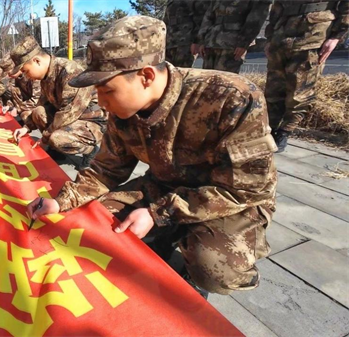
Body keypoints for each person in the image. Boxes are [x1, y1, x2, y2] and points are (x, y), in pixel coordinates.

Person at [27, 16, 278, 296]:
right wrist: (61, 202)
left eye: (107, 90)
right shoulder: (123, 111)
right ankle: (164, 240)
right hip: (164, 185)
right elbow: (105, 171)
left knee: (215, 267)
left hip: (229, 198)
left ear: (146, 77)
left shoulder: (230, 97)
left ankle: (191, 261)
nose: (101, 101)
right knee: (97, 220)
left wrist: (158, 214)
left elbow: (246, 189)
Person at [10, 36, 107, 169]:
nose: (26, 76)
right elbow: (41, 105)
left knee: (56, 138)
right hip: (71, 117)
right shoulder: (46, 76)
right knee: (39, 112)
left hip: (91, 120)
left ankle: (90, 151)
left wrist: (45, 140)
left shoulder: (68, 71)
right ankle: (58, 151)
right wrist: (26, 128)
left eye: (26, 71)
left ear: (36, 61)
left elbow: (68, 113)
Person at [265, 0, 349, 152]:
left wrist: (337, 36)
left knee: (299, 92)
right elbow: (277, 6)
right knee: (273, 89)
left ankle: (285, 131)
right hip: (281, 35)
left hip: (313, 34)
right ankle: (269, 129)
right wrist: (270, 37)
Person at [197, 0, 271, 73]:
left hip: (232, 45)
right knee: (207, 80)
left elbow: (256, 19)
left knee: (224, 81)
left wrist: (244, 43)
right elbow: (208, 16)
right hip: (211, 44)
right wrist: (202, 40)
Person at [164, 0, 210, 67]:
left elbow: (200, 20)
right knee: (167, 72)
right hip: (170, 43)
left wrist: (197, 41)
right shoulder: (171, 2)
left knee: (181, 72)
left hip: (185, 44)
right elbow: (166, 22)